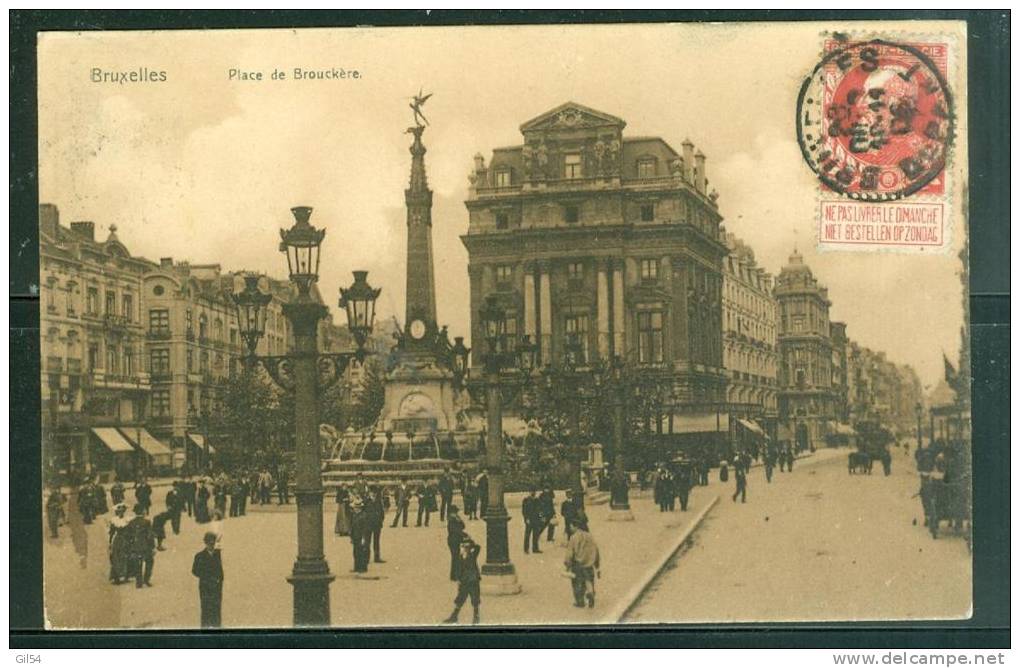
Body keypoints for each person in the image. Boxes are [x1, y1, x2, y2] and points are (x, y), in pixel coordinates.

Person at [442, 536, 481, 625]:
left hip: (473, 580)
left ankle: (476, 616)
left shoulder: (472, 555)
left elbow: (478, 547)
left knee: (475, 598)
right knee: (460, 598)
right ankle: (454, 616)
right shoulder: (460, 556)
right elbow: (459, 569)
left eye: (466, 547)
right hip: (464, 581)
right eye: (463, 546)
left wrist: (472, 543)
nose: (464, 548)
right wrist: (459, 578)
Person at [564, 514, 600, 608]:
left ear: (575, 526)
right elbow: (596, 550)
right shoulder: (589, 536)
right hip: (589, 563)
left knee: (577, 584)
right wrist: (597, 565)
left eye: (571, 526)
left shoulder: (573, 537)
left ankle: (580, 602)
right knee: (589, 580)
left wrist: (567, 565)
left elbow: (569, 554)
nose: (570, 528)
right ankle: (590, 593)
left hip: (577, 564)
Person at [191, 531, 224, 628]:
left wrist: (219, 580)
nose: (211, 545)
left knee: (216, 607)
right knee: (205, 607)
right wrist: (205, 576)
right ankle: (205, 627)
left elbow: (220, 570)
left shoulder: (218, 554)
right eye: (209, 543)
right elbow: (194, 571)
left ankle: (217, 627)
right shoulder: (199, 556)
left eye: (213, 543)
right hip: (205, 586)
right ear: (205, 543)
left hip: (216, 586)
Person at [127, 503, 155, 588]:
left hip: (135, 546)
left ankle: (138, 582)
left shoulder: (131, 522)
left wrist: (130, 547)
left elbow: (128, 536)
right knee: (149, 562)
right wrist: (152, 547)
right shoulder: (147, 522)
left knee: (137, 564)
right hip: (145, 546)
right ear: (142, 511)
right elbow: (150, 535)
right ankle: (146, 580)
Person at [107, 503, 131, 584]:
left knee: (125, 556)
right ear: (116, 512)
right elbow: (111, 532)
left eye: (122, 511)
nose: (121, 512)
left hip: (125, 539)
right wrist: (110, 542)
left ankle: (125, 575)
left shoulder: (127, 519)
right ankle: (117, 576)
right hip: (118, 540)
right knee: (116, 557)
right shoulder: (114, 520)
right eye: (119, 511)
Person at [349, 496, 372, 574]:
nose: (354, 509)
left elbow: (365, 529)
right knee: (355, 552)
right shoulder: (354, 515)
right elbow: (352, 527)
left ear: (359, 508)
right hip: (355, 536)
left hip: (361, 537)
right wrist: (351, 537)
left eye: (355, 508)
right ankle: (356, 567)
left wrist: (363, 538)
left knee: (361, 552)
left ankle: (362, 568)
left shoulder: (363, 516)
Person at [446, 505, 466, 581]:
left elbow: (463, 526)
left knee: (456, 557)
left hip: (455, 540)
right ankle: (454, 575)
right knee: (455, 557)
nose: (457, 513)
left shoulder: (455, 519)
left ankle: (455, 574)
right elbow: (455, 530)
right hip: (453, 540)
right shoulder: (451, 520)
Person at [366, 486, 386, 563]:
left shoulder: (379, 502)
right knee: (367, 542)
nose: (373, 494)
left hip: (377, 525)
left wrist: (380, 521)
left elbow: (382, 513)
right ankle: (366, 558)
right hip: (368, 525)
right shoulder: (366, 501)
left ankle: (377, 557)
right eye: (372, 493)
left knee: (376, 541)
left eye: (374, 493)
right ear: (369, 493)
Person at [522, 489, 544, 554]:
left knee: (536, 534)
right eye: (531, 491)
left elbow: (540, 509)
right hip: (529, 519)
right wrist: (526, 519)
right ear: (529, 492)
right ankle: (526, 549)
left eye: (534, 491)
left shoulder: (537, 500)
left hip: (536, 519)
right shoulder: (526, 500)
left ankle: (535, 548)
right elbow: (524, 511)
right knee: (527, 535)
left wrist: (541, 517)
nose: (533, 493)